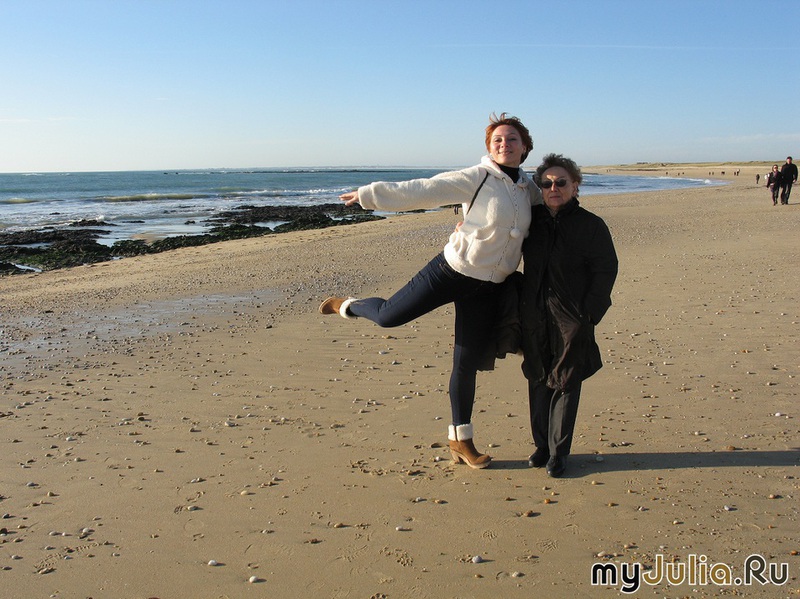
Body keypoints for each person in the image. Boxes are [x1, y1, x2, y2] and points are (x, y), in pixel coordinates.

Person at [319, 113, 542, 469]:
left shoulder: (529, 190)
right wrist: (370, 195)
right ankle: (349, 305)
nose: (505, 144)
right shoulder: (478, 177)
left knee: (466, 364)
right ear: (489, 147)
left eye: (512, 139)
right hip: (452, 271)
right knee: (389, 316)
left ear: (525, 146)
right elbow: (426, 189)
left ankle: (461, 440)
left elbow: (546, 219)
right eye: (497, 140)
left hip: (489, 286)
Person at [519, 154, 618, 478]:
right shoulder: (531, 221)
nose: (554, 188)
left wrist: (589, 314)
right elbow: (499, 234)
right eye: (546, 183)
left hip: (572, 317)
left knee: (565, 381)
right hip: (534, 313)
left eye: (561, 182)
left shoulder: (591, 225)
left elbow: (606, 269)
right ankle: (541, 446)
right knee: (537, 377)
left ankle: (558, 453)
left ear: (575, 186)